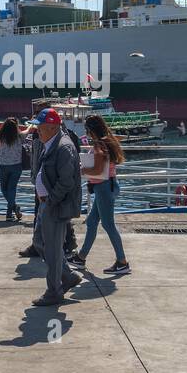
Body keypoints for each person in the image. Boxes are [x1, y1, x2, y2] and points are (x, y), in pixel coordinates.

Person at [29, 107, 82, 307]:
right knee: (40, 242)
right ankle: (67, 276)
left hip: (54, 206)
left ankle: (54, 291)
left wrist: (50, 201)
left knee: (52, 250)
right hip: (47, 204)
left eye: (40, 128)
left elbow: (66, 181)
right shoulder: (50, 143)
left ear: (51, 127)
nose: (37, 131)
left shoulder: (63, 147)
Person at [69, 114, 129, 274]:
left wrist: (81, 169)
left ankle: (122, 262)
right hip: (107, 185)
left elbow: (97, 170)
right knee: (92, 222)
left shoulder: (99, 145)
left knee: (108, 225)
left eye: (87, 130)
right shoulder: (107, 140)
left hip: (103, 188)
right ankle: (81, 258)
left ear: (90, 130)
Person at [0, 118, 25, 221]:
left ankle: (11, 212)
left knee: (4, 189)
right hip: (16, 166)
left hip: (3, 165)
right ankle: (12, 210)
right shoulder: (19, 136)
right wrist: (31, 125)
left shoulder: (1, 135)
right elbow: (27, 131)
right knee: (12, 189)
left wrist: (1, 148)